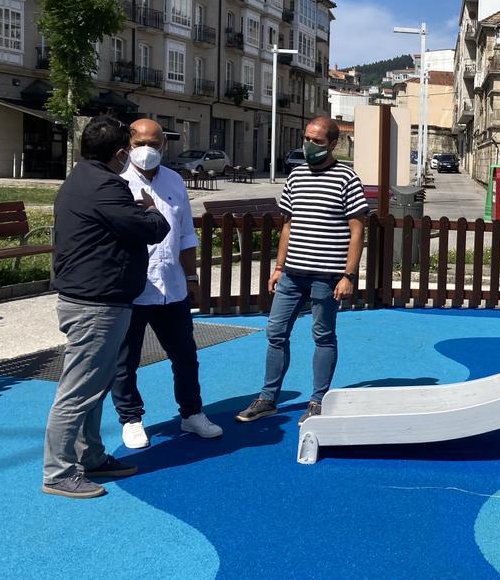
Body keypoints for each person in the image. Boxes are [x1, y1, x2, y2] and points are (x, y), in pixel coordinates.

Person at [43, 116, 170, 499]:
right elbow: (152, 229)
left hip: (93, 298)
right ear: (119, 154)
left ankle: (91, 455)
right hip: (95, 305)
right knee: (78, 390)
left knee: (94, 387)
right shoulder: (105, 186)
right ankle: (59, 472)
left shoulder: (80, 178)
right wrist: (150, 207)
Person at [235, 116, 367, 425]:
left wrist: (348, 275)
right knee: (276, 332)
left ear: (333, 144)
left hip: (328, 275)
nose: (309, 145)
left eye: (317, 141)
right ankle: (268, 398)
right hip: (293, 272)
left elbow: (357, 230)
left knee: (323, 335)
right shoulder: (296, 176)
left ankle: (318, 399)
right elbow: (288, 225)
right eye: (307, 138)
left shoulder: (347, 178)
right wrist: (278, 267)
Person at [112, 119, 223, 449]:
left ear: (165, 145)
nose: (147, 150)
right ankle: (131, 419)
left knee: (185, 355)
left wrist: (192, 277)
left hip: (172, 286)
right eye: (140, 143)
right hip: (132, 287)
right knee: (126, 360)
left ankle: (191, 413)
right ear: (128, 144)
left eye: (155, 143)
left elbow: (186, 234)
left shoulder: (174, 180)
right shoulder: (116, 183)